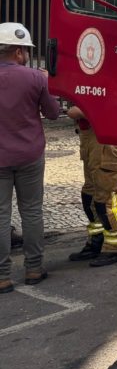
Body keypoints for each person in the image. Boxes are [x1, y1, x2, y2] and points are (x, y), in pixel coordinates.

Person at [0, 22, 60, 293]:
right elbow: (53, 113)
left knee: (1, 215)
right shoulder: (36, 78)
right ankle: (34, 268)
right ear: (18, 52)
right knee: (32, 211)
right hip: (30, 154)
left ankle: (2, 275)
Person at [65, 106, 117, 266]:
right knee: (90, 194)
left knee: (109, 198)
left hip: (109, 139)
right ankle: (98, 240)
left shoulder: (116, 81)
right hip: (90, 136)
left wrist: (83, 110)